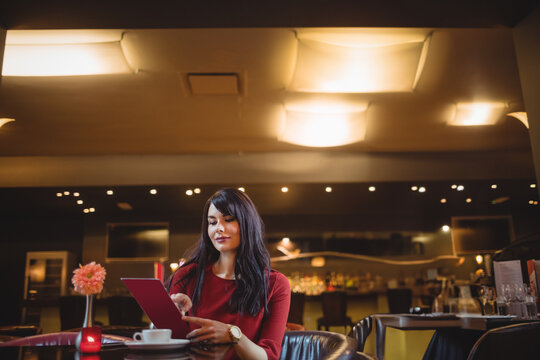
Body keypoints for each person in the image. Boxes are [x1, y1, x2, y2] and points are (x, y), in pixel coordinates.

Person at [167, 188, 291, 360]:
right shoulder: (187, 276)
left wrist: (232, 334)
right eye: (212, 222)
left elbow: (268, 356)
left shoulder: (275, 283)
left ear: (247, 224)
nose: (219, 228)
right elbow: (169, 345)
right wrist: (166, 315)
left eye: (228, 220)